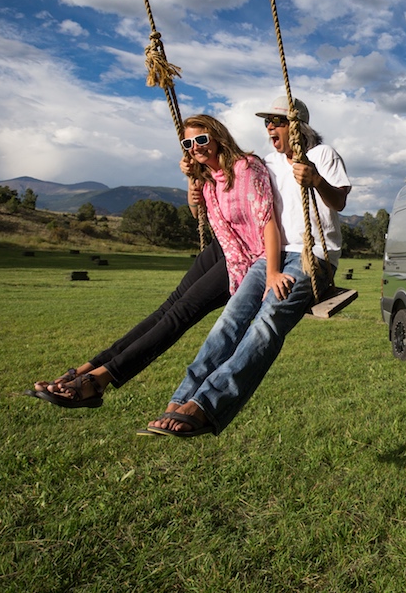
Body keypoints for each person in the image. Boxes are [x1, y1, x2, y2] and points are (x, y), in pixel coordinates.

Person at [32, 114, 279, 408]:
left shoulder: (246, 168)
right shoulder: (208, 176)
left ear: (218, 137)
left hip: (247, 257)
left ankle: (98, 380)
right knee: (167, 309)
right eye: (188, 143)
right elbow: (199, 215)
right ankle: (85, 370)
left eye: (201, 139)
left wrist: (273, 272)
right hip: (223, 247)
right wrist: (192, 184)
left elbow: (267, 220)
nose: (195, 147)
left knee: (180, 315)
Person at [145, 95, 350, 437]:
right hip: (269, 256)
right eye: (267, 121)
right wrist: (193, 173)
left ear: (297, 126)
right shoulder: (268, 162)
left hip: (310, 255)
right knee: (229, 321)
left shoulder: (321, 155)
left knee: (267, 322)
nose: (270, 126)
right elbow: (227, 172)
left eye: (278, 121)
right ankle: (181, 399)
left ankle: (206, 406)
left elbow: (340, 200)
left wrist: (316, 180)